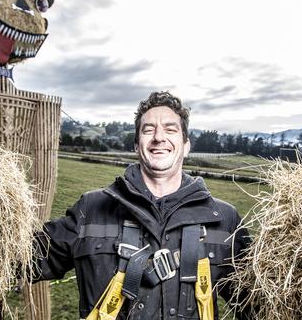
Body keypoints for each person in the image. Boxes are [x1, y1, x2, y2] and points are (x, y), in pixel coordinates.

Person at [33, 91, 251, 319]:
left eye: (170, 129)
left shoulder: (224, 220)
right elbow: (24, 257)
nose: (159, 137)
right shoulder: (91, 209)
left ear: (186, 145)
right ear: (136, 145)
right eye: (148, 130)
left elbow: (260, 302)